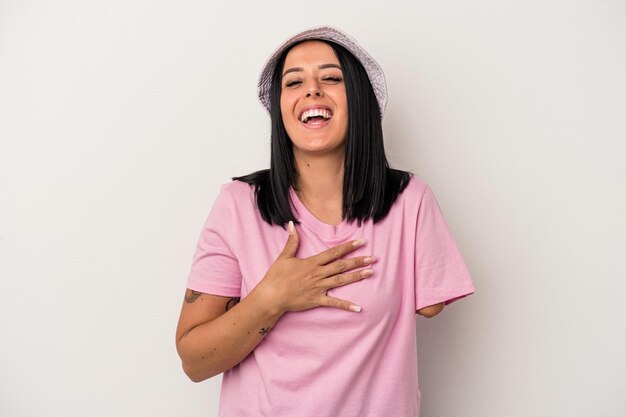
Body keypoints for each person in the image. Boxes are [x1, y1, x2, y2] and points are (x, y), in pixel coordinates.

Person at [176, 26, 475, 417]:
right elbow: (195, 362)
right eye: (294, 82)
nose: (312, 90)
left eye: (331, 78)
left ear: (359, 99)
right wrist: (272, 297)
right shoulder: (239, 206)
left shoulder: (409, 202)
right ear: (281, 109)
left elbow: (432, 304)